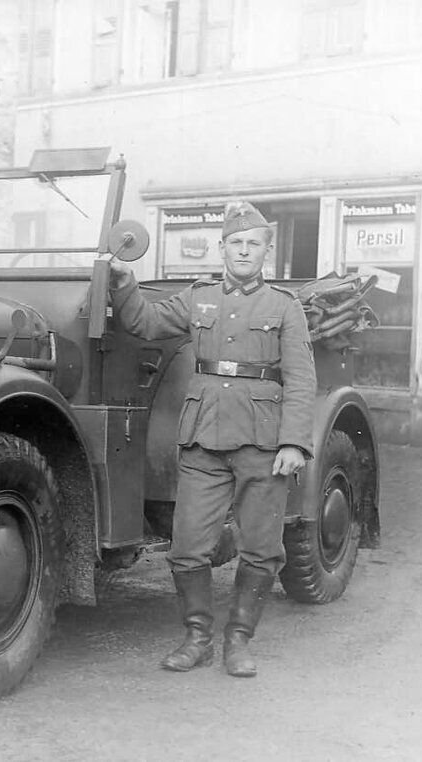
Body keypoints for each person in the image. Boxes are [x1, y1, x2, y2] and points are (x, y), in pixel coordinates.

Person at [107, 201, 316, 677]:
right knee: (186, 548)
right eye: (236, 243)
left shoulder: (284, 307)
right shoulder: (199, 298)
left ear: (266, 250)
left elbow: (302, 380)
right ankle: (197, 637)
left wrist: (293, 444)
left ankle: (238, 641)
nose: (244, 251)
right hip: (203, 440)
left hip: (263, 444)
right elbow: (145, 323)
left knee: (262, 548)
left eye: (253, 244)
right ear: (223, 248)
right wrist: (123, 283)